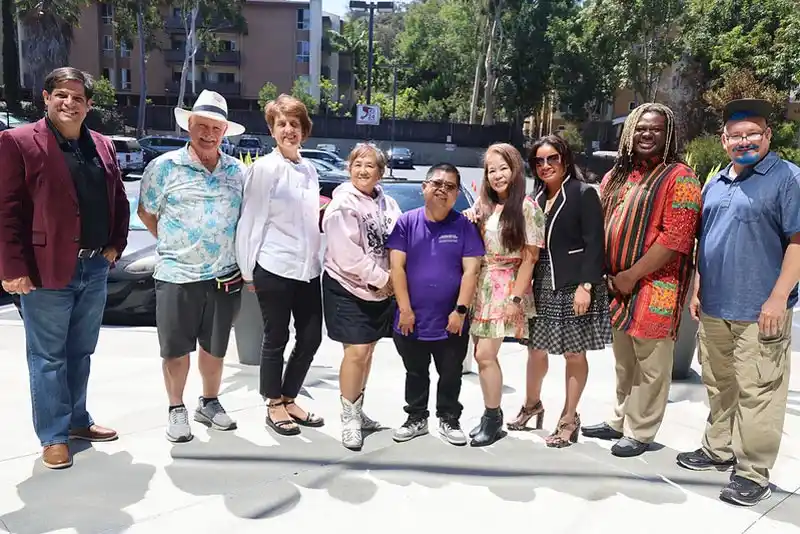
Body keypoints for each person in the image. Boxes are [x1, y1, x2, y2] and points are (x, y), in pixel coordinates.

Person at [0, 67, 130, 469]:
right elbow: (6, 211)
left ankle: (76, 420)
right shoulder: (18, 141)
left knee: (81, 352)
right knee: (48, 357)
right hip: (45, 270)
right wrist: (12, 267)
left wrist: (115, 246)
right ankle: (53, 435)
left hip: (94, 269)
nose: (69, 103)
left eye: (77, 97)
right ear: (46, 97)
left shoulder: (103, 145)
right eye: (61, 95)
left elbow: (119, 199)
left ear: (89, 105)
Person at [676, 99, 800, 506]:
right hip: (715, 304)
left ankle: (753, 471)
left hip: (760, 309)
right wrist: (698, 286)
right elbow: (704, 240)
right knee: (718, 382)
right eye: (736, 135)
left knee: (759, 390)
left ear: (768, 136)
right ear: (724, 139)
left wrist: (779, 298)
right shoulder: (717, 182)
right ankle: (718, 448)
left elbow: (798, 242)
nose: (744, 141)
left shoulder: (786, 178)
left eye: (753, 133)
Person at [580, 103, 702, 457]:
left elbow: (676, 239)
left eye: (656, 129)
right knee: (624, 360)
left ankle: (641, 430)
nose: (647, 134)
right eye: (640, 128)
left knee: (651, 364)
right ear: (629, 133)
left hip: (656, 284)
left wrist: (632, 275)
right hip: (617, 284)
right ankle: (620, 419)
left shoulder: (680, 177)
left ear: (669, 135)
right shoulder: (617, 175)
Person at [138, 90, 247, 443]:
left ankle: (209, 402)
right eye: (202, 125)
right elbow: (146, 213)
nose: (208, 133)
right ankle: (176, 408)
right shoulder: (164, 167)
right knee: (175, 349)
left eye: (216, 127)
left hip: (223, 276)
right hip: (176, 274)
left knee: (215, 347)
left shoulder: (236, 171)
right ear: (189, 126)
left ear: (225, 131)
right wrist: (179, 245)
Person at [510, 135, 611, 448]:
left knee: (573, 353)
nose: (545, 165)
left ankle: (569, 418)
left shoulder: (583, 194)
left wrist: (586, 286)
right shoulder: (536, 199)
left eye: (551, 158)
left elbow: (595, 243)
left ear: (565, 159)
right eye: (539, 161)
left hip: (573, 286)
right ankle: (532, 404)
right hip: (540, 286)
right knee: (535, 349)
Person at [235, 94, 324, 436]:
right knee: (276, 336)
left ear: (304, 130)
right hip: (273, 265)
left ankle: (290, 396)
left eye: (295, 124)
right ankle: (273, 402)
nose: (289, 130)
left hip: (307, 269)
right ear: (272, 130)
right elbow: (251, 221)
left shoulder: (309, 169)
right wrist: (248, 270)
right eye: (282, 124)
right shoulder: (264, 168)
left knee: (312, 336)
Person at [388, 163, 484, 446]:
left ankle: (448, 418)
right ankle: (416, 417)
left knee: (451, 374)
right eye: (437, 184)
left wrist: (460, 311)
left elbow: (472, 271)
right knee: (415, 373)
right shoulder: (406, 222)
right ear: (425, 187)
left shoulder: (464, 227)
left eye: (450, 186)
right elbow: (397, 268)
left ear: (456, 194)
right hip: (411, 319)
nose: (443, 190)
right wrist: (405, 310)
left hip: (451, 321)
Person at [321, 144, 402, 450]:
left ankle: (358, 407)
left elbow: (399, 238)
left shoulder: (388, 203)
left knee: (368, 352)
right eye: (357, 164)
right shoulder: (343, 204)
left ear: (380, 173)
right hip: (348, 288)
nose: (363, 170)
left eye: (370, 166)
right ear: (349, 168)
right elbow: (347, 255)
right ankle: (349, 417)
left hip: (381, 292)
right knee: (355, 352)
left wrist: (394, 280)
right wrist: (384, 279)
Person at [467, 143, 546, 447]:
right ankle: (492, 415)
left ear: (515, 171)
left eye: (503, 168)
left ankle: (492, 418)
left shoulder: (527, 207)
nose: (497, 175)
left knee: (485, 355)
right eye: (491, 170)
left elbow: (529, 258)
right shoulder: (485, 205)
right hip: (482, 284)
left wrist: (516, 298)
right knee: (481, 356)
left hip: (506, 287)